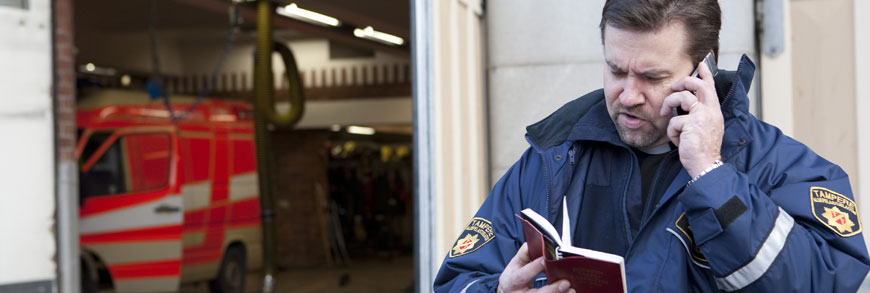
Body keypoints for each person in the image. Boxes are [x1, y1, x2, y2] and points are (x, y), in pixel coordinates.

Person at [433, 0, 870, 292]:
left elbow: (826, 280)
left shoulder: (781, 166)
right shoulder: (551, 158)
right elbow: (457, 278)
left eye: (652, 77)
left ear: (705, 68)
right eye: (616, 70)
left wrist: (713, 176)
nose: (627, 95)